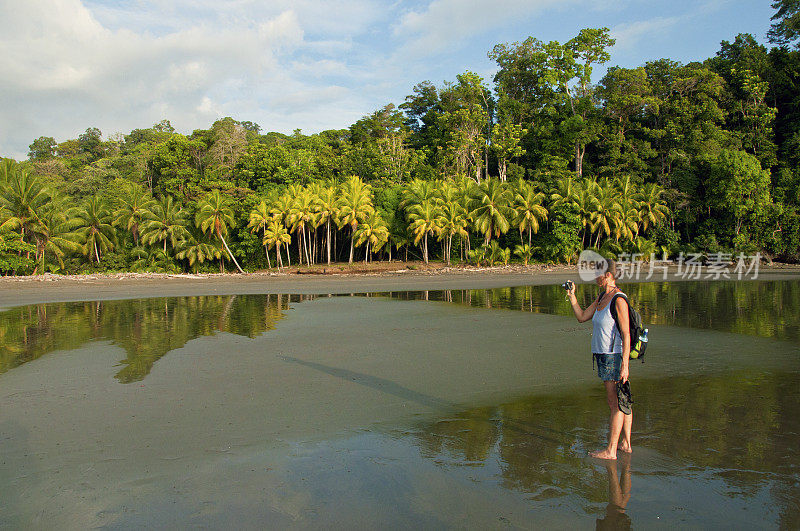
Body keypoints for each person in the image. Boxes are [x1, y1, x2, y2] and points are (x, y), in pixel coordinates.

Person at [566, 260, 632, 460]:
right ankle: (626, 443)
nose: (595, 277)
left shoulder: (618, 299)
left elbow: (626, 334)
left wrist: (625, 366)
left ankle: (611, 451)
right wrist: (572, 296)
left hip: (613, 356)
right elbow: (582, 316)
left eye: (598, 274)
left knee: (615, 404)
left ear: (609, 276)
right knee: (623, 400)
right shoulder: (603, 296)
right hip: (604, 356)